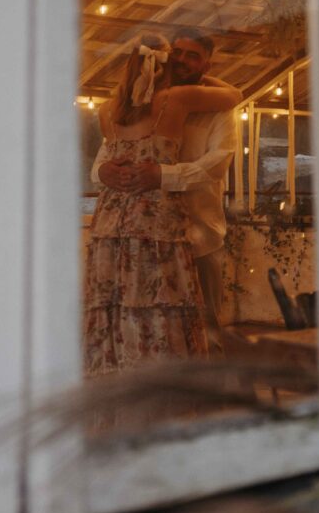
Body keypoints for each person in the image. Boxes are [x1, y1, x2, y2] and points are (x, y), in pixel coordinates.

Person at [83, 32, 241, 376]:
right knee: (148, 317)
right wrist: (103, 172)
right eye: (177, 54)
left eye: (191, 56)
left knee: (202, 325)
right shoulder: (165, 102)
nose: (182, 60)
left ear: (206, 64)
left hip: (197, 234)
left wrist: (162, 176)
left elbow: (218, 164)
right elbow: (101, 161)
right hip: (150, 231)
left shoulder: (215, 111)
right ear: (164, 60)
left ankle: (204, 400)